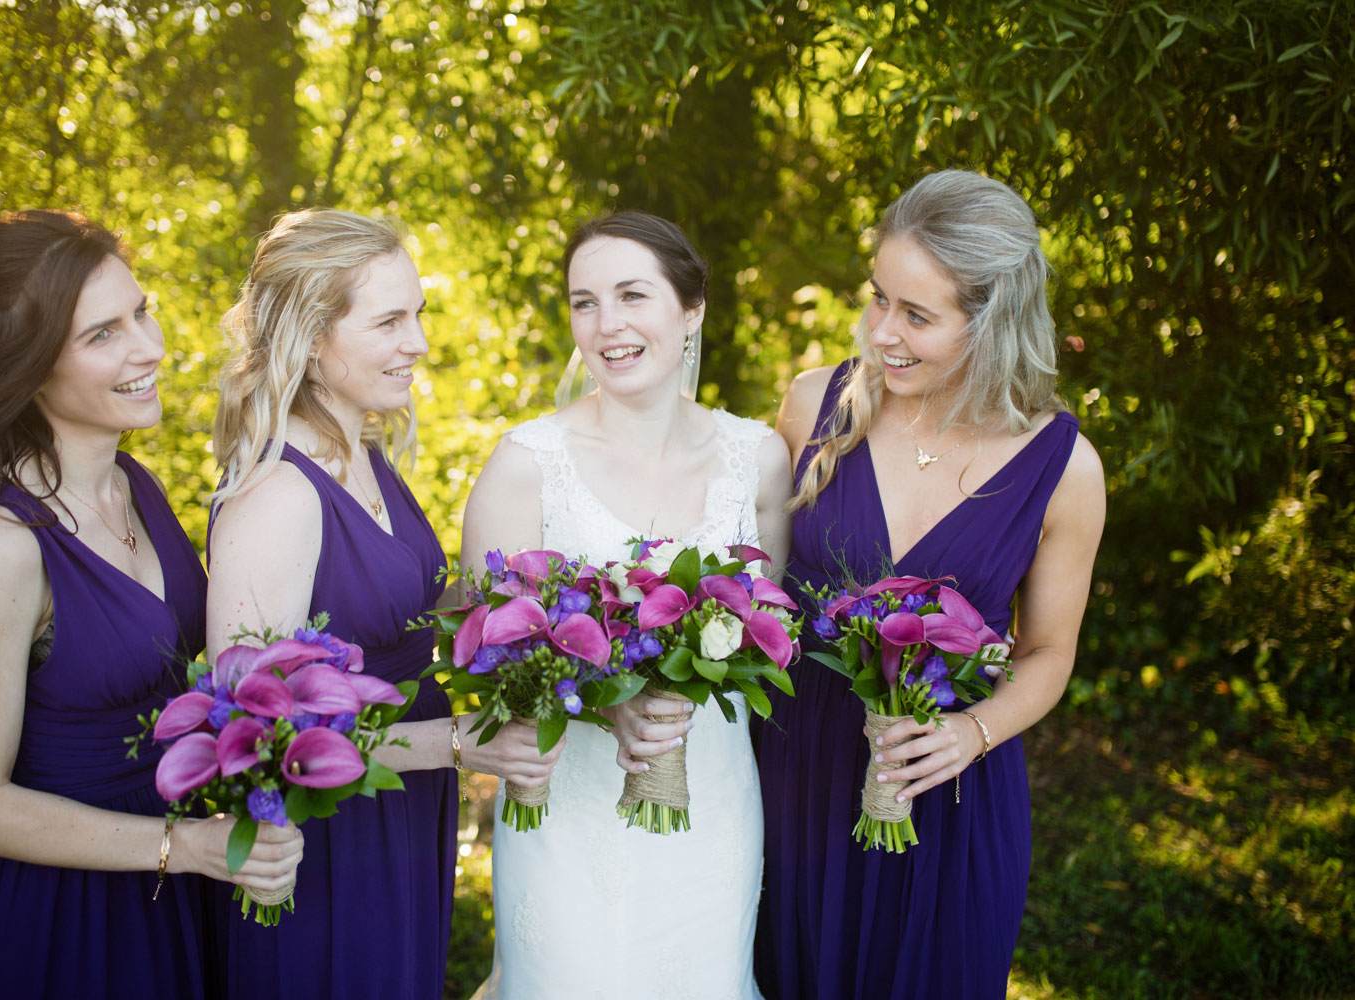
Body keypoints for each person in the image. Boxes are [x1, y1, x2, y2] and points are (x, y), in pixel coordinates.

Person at [0, 209, 302, 999]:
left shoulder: (136, 486)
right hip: (59, 922)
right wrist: (182, 847)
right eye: (102, 334)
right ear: (25, 364)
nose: (149, 347)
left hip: (176, 893)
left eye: (141, 312)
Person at [754, 170, 1107, 998]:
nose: (883, 333)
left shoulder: (1065, 469)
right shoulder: (816, 408)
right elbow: (754, 595)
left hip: (945, 792)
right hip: (794, 776)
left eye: (918, 315)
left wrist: (971, 734)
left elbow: (1050, 652)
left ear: (994, 322)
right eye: (879, 298)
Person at [206, 208, 559, 999]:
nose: (420, 344)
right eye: (390, 320)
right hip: (325, 844)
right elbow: (252, 738)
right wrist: (454, 745)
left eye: (419, 315)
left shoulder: (361, 454)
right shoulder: (278, 496)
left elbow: (401, 615)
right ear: (311, 337)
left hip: (399, 813)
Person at [461, 210, 793, 999]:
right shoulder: (525, 464)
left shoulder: (759, 459)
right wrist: (610, 709)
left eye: (632, 295)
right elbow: (485, 666)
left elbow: (769, 637)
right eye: (584, 302)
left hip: (710, 805)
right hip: (571, 815)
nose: (606, 324)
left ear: (692, 308)